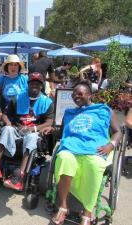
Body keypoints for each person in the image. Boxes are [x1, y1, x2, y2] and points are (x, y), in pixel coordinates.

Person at [47, 80, 122, 225]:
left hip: (95, 149)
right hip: (71, 148)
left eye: (79, 93)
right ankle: (63, 206)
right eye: (74, 94)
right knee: (63, 157)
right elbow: (62, 133)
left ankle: (87, 212)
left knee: (94, 164)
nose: (75, 96)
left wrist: (110, 145)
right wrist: (51, 130)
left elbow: (118, 132)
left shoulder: (103, 110)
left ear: (90, 95)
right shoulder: (69, 113)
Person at [0, 72, 54, 191]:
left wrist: (32, 129)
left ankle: (19, 176)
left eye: (38, 83)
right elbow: (5, 115)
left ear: (41, 86)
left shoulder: (47, 102)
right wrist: (8, 123)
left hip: (34, 132)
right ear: (28, 84)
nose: (35, 85)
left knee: (31, 137)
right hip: (17, 129)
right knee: (7, 129)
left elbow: (49, 122)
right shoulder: (18, 97)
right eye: (32, 83)